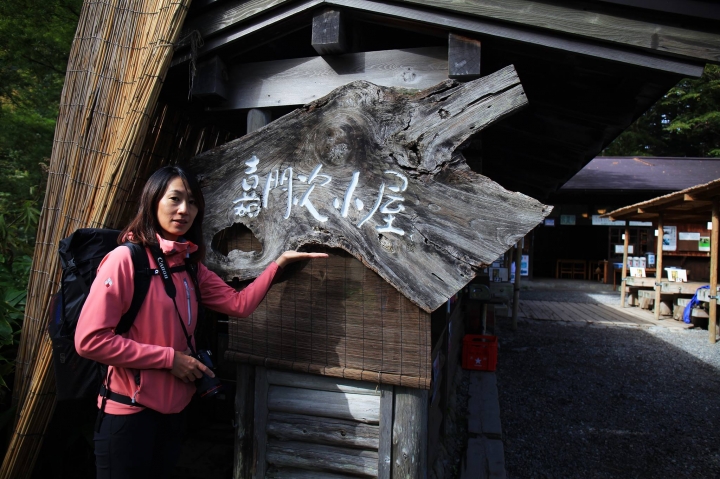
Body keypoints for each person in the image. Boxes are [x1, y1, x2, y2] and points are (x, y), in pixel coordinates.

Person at [75, 165, 327, 478]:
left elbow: (239, 304)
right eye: (175, 199)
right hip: (129, 414)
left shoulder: (190, 266)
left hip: (173, 413)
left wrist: (279, 264)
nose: (184, 210)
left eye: (192, 202)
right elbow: (90, 340)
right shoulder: (126, 261)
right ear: (153, 201)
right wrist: (169, 359)